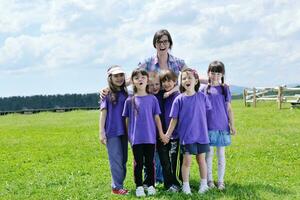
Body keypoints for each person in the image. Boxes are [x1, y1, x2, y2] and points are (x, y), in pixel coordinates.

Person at [163, 68, 211, 195]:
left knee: (201, 160)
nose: (187, 80)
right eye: (184, 78)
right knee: (186, 162)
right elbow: (174, 120)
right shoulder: (179, 99)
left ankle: (204, 184)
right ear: (181, 82)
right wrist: (167, 134)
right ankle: (185, 186)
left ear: (196, 81)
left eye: (190, 77)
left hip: (202, 136)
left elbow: (206, 115)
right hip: (187, 137)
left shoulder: (202, 97)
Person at [122, 68, 165, 197]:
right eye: (136, 78)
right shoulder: (130, 101)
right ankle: (139, 186)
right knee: (138, 163)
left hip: (150, 138)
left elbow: (157, 118)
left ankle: (151, 185)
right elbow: (127, 120)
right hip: (136, 139)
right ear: (133, 82)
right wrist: (129, 136)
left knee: (150, 163)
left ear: (147, 80)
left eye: (143, 77)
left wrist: (161, 133)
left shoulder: (152, 99)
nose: (140, 79)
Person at [203, 61, 237, 190]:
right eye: (212, 72)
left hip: (223, 127)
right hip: (209, 127)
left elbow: (229, 109)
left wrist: (232, 125)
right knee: (209, 155)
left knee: (221, 155)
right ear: (208, 73)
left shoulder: (224, 89)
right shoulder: (204, 89)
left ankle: (221, 181)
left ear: (222, 74)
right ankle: (210, 180)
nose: (215, 75)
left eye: (218, 73)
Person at [99, 65, 129, 195]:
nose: (119, 78)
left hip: (125, 131)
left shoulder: (126, 93)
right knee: (116, 159)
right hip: (112, 132)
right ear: (110, 78)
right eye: (116, 76)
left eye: (121, 75)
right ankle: (116, 187)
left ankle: (119, 185)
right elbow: (103, 113)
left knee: (123, 160)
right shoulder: (106, 94)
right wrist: (101, 132)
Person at [160, 70, 182, 190]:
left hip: (177, 134)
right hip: (166, 134)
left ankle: (178, 183)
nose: (166, 84)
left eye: (169, 81)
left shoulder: (178, 95)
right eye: (164, 81)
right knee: (168, 160)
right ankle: (170, 182)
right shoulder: (163, 95)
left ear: (175, 81)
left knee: (175, 160)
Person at [147, 73, 164, 185]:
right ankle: (152, 178)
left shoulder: (164, 94)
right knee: (151, 156)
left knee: (160, 156)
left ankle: (159, 177)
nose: (155, 87)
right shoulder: (146, 96)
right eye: (151, 85)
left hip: (162, 130)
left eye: (157, 84)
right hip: (150, 131)